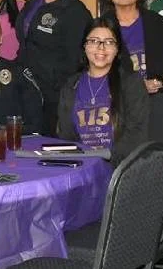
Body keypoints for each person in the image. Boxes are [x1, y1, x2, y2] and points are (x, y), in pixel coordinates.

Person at [15, 0, 92, 135]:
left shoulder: (76, 12)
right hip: (27, 94)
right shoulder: (32, 2)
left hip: (55, 101)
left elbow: (76, 63)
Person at [57, 16, 149, 165]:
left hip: (119, 169)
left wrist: (104, 158)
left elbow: (136, 135)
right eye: (93, 41)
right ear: (84, 47)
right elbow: (66, 137)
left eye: (109, 42)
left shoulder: (131, 83)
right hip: (82, 167)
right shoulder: (71, 86)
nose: (101, 47)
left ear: (117, 49)